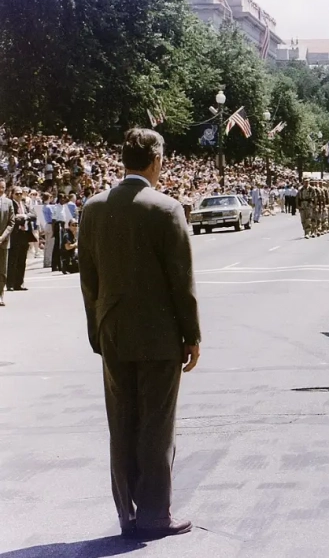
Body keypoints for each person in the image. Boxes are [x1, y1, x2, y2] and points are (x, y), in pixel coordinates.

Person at [79, 128, 201, 540]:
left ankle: (126, 512)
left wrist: (97, 328)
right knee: (156, 424)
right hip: (158, 333)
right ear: (155, 161)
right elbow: (181, 280)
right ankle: (154, 513)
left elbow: (88, 278)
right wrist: (192, 334)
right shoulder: (166, 208)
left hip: (112, 328)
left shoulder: (93, 208)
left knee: (122, 421)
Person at [6, 186, 37, 292]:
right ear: (12, 194)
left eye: (20, 193)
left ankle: (19, 283)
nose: (19, 195)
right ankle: (10, 283)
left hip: (25, 234)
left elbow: (33, 215)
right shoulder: (10, 204)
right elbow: (12, 218)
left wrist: (25, 216)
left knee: (22, 260)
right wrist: (21, 217)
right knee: (13, 260)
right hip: (15, 234)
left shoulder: (25, 204)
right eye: (17, 194)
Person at [0, 181, 13, 306]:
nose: (1, 189)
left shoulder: (8, 203)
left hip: (3, 242)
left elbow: (11, 222)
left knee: (2, 271)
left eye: (3, 187)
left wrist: (2, 237)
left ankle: (1, 295)